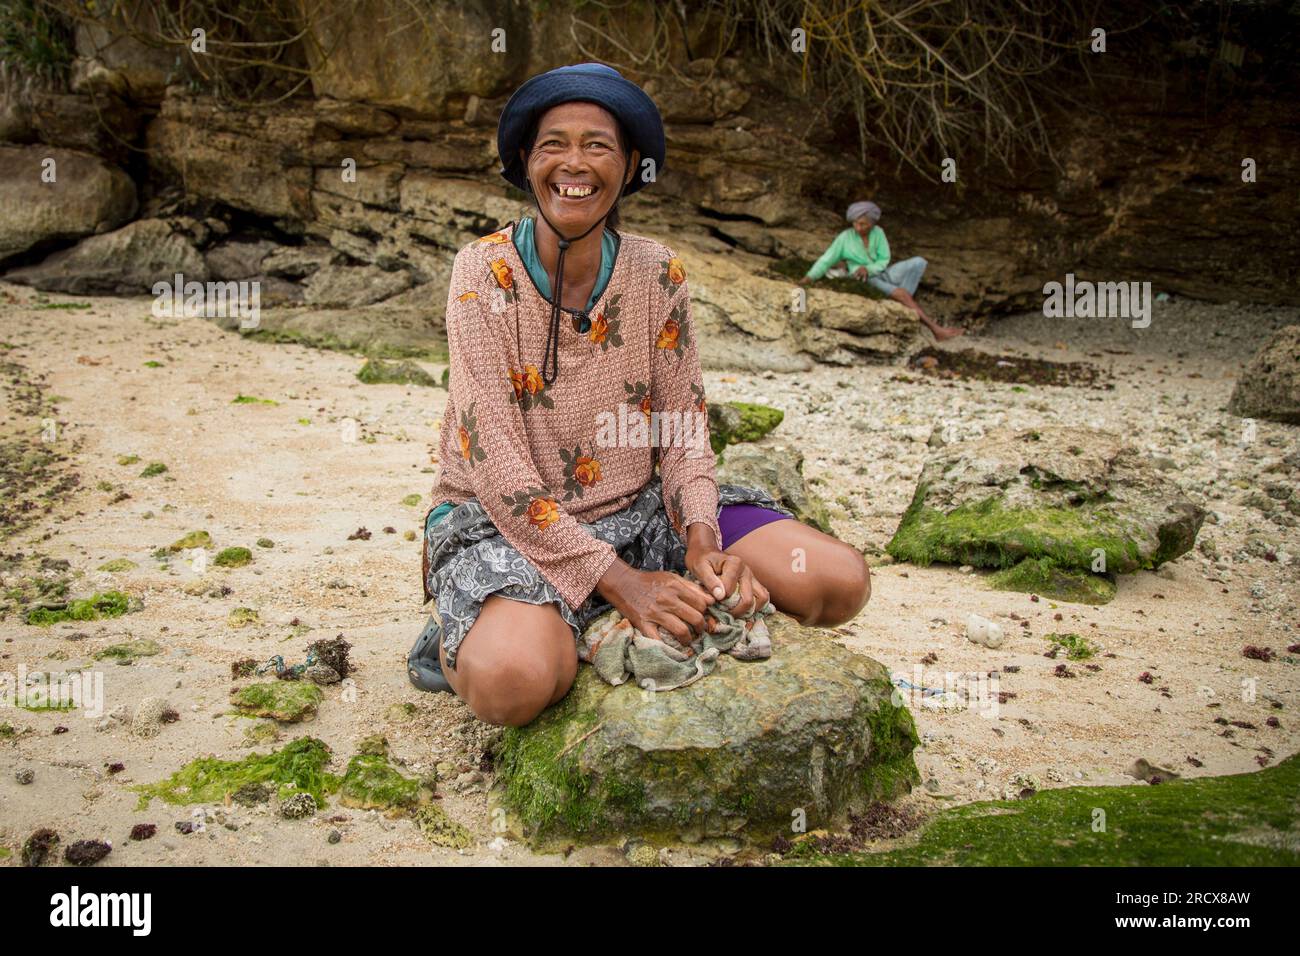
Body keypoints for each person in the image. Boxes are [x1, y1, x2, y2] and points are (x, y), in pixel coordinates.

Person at [409, 63, 871, 727]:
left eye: (597, 145)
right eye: (552, 145)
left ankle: (575, 610)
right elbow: (498, 469)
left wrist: (702, 542)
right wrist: (624, 585)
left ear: (629, 168)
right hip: (505, 523)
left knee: (837, 582)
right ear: (524, 164)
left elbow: (684, 431)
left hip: (637, 509)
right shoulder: (482, 273)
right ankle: (469, 626)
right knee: (514, 683)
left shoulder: (657, 272)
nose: (575, 163)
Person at [799, 201, 964, 340]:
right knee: (901, 294)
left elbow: (884, 260)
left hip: (881, 273)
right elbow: (826, 260)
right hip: (862, 279)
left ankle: (902, 303)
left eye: (863, 224)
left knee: (919, 262)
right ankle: (935, 329)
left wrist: (869, 268)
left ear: (872, 223)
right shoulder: (845, 238)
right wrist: (809, 278)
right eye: (855, 223)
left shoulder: (878, 233)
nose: (858, 227)